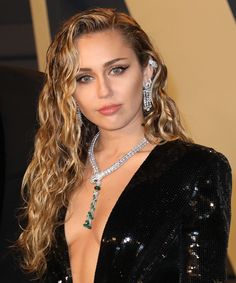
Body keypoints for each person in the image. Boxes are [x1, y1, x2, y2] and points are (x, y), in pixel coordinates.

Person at [17, 8, 232, 283]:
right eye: (84, 77)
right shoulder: (57, 173)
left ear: (147, 71)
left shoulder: (195, 170)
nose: (103, 91)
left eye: (116, 70)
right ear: (68, 91)